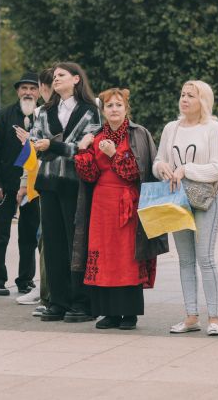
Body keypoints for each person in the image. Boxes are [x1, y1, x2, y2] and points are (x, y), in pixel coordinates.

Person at [73, 88, 167, 330]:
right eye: (109, 106)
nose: (114, 109)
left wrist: (114, 154)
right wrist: (83, 151)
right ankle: (109, 313)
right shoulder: (94, 136)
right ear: (103, 111)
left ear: (126, 109)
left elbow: (139, 172)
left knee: (126, 257)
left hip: (129, 203)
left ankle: (129, 313)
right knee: (103, 256)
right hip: (102, 204)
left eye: (118, 105)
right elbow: (89, 175)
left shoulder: (139, 134)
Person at [15, 62, 101, 322]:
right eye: (54, 77)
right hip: (49, 181)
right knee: (52, 243)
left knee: (76, 242)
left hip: (75, 183)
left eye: (61, 75)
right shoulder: (46, 109)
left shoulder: (90, 110)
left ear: (76, 79)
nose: (56, 79)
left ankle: (82, 302)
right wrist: (37, 143)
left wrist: (53, 146)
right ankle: (57, 301)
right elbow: (35, 140)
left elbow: (87, 147)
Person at [154, 80, 218, 336]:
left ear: (203, 101)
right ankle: (191, 316)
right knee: (185, 260)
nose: (184, 99)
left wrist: (187, 169)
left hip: (207, 199)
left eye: (191, 96)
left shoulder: (213, 128)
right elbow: (159, 159)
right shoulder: (171, 128)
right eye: (183, 94)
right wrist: (161, 167)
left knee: (205, 258)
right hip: (177, 199)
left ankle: (215, 317)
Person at [0, 72, 42, 296]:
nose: (28, 92)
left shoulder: (44, 116)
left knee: (28, 235)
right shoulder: (3, 116)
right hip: (6, 185)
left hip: (33, 186)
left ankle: (25, 280)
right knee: (0, 234)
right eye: (24, 88)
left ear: (38, 92)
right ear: (18, 91)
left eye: (32, 88)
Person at [16, 67, 54, 313]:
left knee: (48, 238)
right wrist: (22, 184)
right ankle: (43, 289)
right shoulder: (39, 112)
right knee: (40, 238)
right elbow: (30, 153)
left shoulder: (60, 112)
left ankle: (48, 292)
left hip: (55, 181)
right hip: (37, 182)